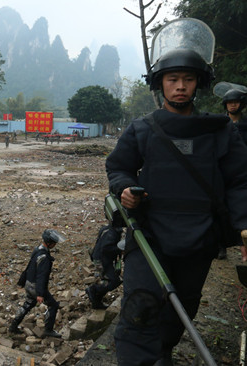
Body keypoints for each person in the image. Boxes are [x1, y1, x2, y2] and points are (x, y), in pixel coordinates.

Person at [105, 24, 247, 365]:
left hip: (198, 239)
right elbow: (118, 168)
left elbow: (240, 181)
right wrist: (125, 189)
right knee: (140, 305)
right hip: (149, 234)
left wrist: (244, 227)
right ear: (160, 83)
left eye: (187, 78)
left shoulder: (219, 132)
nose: (180, 86)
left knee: (183, 307)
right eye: (172, 79)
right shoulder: (142, 129)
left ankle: (162, 351)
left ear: (199, 82)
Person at [9, 229, 65, 338]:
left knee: (27, 304)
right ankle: (48, 330)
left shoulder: (37, 249)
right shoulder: (45, 258)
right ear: (49, 243)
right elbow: (41, 276)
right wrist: (40, 293)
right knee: (53, 305)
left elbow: (29, 267)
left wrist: (22, 281)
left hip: (29, 284)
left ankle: (13, 326)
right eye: (54, 243)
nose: (55, 245)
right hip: (36, 287)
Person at [219, 87, 247, 260]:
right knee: (221, 208)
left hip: (243, 172)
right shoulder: (220, 125)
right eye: (229, 102)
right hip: (223, 171)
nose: (233, 105)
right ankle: (221, 245)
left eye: (236, 102)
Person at [86, 225, 123, 309]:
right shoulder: (112, 233)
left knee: (109, 280)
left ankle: (96, 300)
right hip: (102, 260)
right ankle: (94, 290)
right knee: (114, 281)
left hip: (100, 258)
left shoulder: (107, 228)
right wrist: (120, 249)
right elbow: (106, 249)